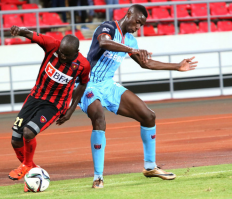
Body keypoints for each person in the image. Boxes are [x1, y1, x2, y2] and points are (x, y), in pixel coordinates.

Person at [59, 4, 198, 188]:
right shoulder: (107, 27)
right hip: (88, 84)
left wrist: (177, 66)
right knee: (99, 117)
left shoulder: (131, 40)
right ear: (129, 14)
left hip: (108, 85)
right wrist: (131, 50)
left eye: (141, 25)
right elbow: (104, 42)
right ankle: (98, 177)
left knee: (149, 116)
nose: (137, 27)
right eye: (137, 22)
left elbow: (146, 63)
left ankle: (150, 167)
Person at [8, 26, 91, 191]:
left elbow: (82, 85)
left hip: (55, 104)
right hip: (35, 97)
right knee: (15, 139)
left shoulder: (83, 65)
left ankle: (26, 165)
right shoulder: (52, 45)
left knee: (28, 132)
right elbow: (33, 35)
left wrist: (71, 110)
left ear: (75, 53)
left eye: (66, 55)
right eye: (60, 52)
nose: (61, 55)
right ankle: (33, 171)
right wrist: (20, 31)